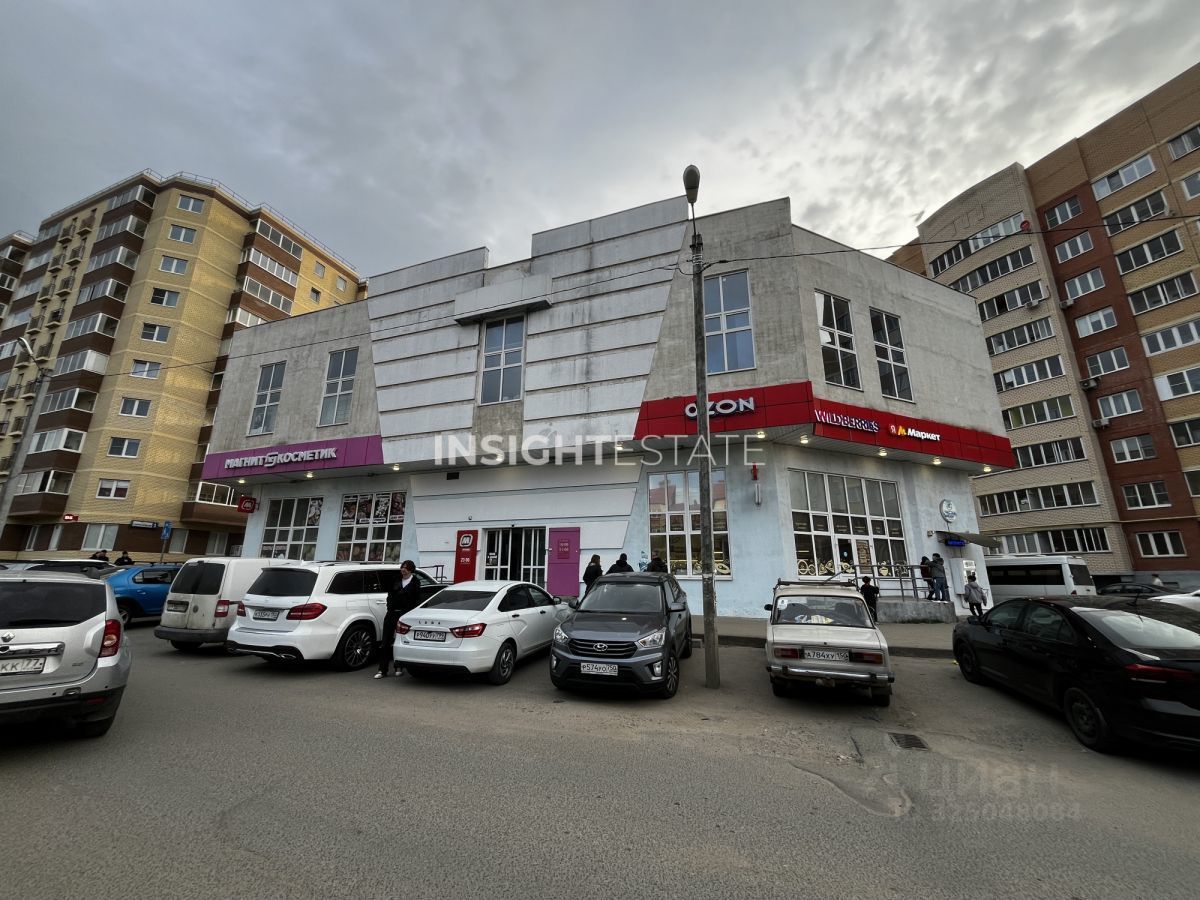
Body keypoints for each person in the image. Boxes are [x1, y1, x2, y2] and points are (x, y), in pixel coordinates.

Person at [376, 560, 423, 679]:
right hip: (392, 613)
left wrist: (410, 612)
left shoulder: (415, 582)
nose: (403, 570)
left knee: (400, 641)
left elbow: (417, 599)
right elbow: (390, 596)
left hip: (405, 615)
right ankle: (382, 670)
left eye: (406, 568)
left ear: (411, 570)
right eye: (402, 567)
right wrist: (389, 608)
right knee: (385, 641)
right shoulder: (395, 580)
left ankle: (398, 667)